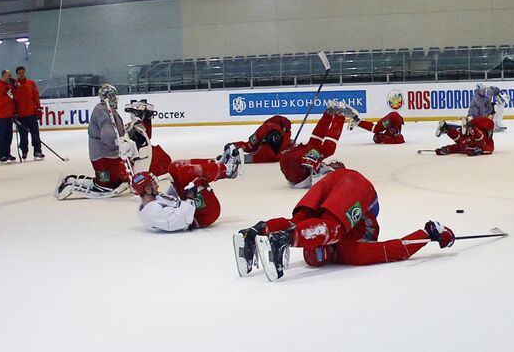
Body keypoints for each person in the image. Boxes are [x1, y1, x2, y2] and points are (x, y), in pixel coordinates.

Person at [232, 161, 456, 282]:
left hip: (339, 183)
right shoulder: (352, 251)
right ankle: (261, 233)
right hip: (355, 186)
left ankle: (261, 231)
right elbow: (393, 250)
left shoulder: (345, 249)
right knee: (325, 227)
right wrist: (429, 233)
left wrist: (429, 234)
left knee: (301, 221)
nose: (325, 250)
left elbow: (393, 249)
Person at [55, 84, 135, 199]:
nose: (115, 98)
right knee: (106, 184)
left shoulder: (108, 110)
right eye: (112, 96)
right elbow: (107, 134)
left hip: (109, 154)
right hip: (103, 155)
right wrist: (118, 143)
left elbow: (117, 130)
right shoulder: (103, 111)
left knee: (111, 181)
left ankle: (72, 179)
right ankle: (70, 185)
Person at [132, 151, 242, 232]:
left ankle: (217, 164)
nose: (157, 185)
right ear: (147, 189)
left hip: (190, 208)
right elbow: (182, 220)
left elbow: (169, 202)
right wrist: (190, 197)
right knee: (186, 173)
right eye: (154, 183)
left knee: (174, 167)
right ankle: (228, 170)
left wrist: (175, 184)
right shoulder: (153, 213)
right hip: (203, 216)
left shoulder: (149, 201)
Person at [277, 102, 356, 187]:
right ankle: (329, 114)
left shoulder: (328, 173)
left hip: (296, 169)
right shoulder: (324, 169)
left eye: (336, 164)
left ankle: (339, 115)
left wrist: (311, 164)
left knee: (328, 149)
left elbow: (315, 176)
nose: (334, 163)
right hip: (291, 165)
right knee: (314, 144)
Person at [13, 66, 42, 161]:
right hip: (21, 115)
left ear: (25, 72)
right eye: (19, 73)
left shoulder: (31, 83)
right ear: (17, 74)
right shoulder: (14, 85)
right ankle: (24, 151)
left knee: (35, 134)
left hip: (32, 113)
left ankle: (37, 151)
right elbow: (13, 100)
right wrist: (14, 113)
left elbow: (36, 97)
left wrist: (38, 109)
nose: (21, 74)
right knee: (23, 136)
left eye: (23, 72)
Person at [0, 69, 16, 163]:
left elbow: (13, 98)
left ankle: (7, 153)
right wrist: (7, 94)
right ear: (4, 75)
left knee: (8, 136)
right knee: (0, 136)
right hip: (1, 116)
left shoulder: (8, 87)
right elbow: (0, 101)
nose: (10, 77)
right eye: (8, 75)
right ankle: (1, 154)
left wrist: (14, 89)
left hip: (9, 115)